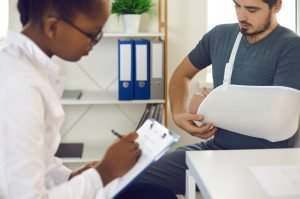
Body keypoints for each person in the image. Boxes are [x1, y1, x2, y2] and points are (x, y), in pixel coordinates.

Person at [117, 0, 300, 196]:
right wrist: (179, 113)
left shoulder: (291, 47)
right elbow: (181, 76)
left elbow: (278, 124)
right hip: (216, 149)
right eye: (237, 6)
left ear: (277, 6)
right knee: (131, 179)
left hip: (267, 161)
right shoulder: (219, 36)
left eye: (252, 9)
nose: (241, 16)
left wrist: (210, 105)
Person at [0, 0, 142, 198]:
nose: (93, 44)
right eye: (93, 34)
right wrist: (103, 174)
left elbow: (37, 162)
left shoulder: (29, 67)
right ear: (53, 27)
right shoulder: (20, 85)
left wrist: (71, 177)